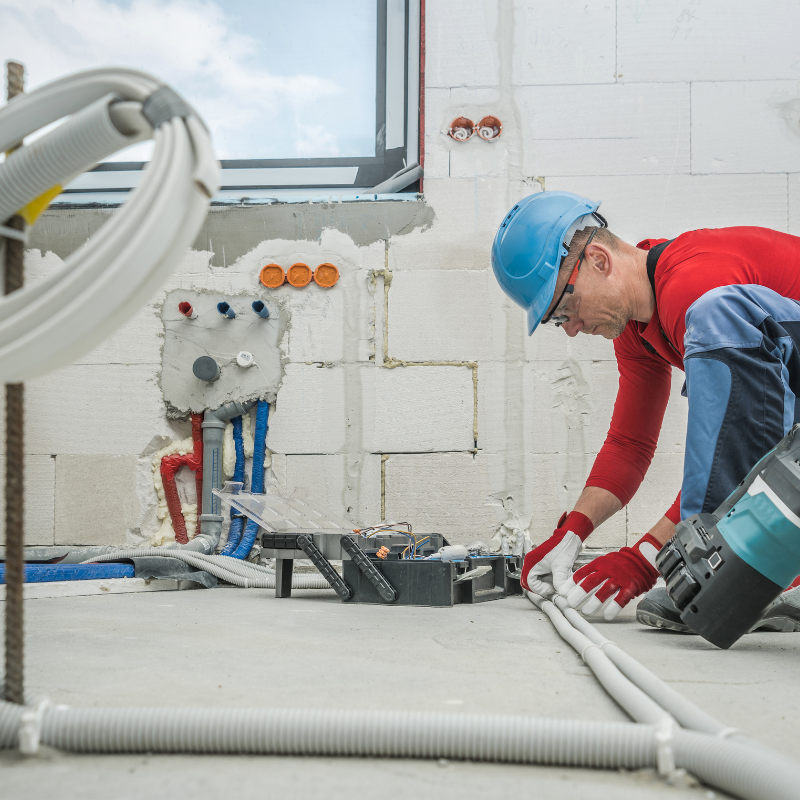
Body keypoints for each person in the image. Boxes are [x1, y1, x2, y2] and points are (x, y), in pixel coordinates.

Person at [491, 191, 800, 632]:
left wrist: (647, 559)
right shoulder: (636, 327)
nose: (573, 330)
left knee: (719, 316)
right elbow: (630, 443)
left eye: (566, 308)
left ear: (598, 260)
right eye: (560, 321)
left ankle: (758, 574)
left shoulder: (695, 290)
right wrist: (572, 532)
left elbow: (740, 444)